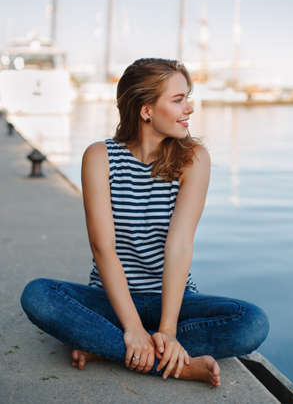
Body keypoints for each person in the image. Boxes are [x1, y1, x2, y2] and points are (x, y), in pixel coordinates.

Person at [21, 58, 269, 387]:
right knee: (38, 295)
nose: (189, 108)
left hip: (175, 302)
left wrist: (167, 329)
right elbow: (103, 248)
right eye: (178, 99)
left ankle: (108, 347)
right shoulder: (100, 156)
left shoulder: (193, 158)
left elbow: (179, 246)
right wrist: (133, 327)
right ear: (146, 109)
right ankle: (174, 364)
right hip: (112, 300)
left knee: (252, 323)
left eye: (187, 97)